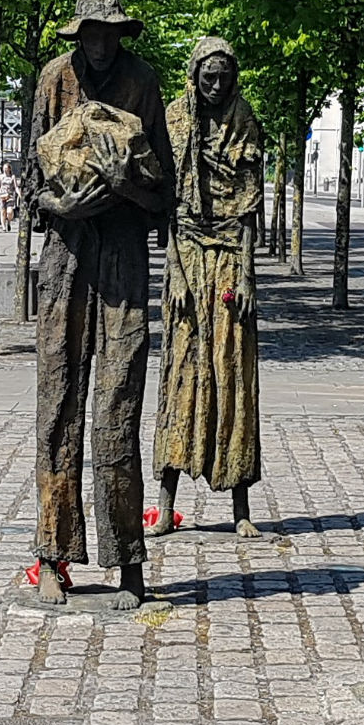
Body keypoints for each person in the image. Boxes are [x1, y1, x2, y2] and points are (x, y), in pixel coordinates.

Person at [28, 0, 172, 609]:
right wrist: (63, 201)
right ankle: (52, 554)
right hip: (64, 254)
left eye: (110, 33)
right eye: (92, 33)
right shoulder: (52, 80)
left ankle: (127, 562)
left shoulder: (144, 83)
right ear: (78, 35)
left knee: (118, 404)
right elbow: (32, 180)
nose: (101, 44)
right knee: (57, 403)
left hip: (122, 258)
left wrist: (125, 186)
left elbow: (165, 187)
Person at [148, 37, 264, 540]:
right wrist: (173, 272)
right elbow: (167, 211)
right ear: (194, 75)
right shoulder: (175, 120)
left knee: (232, 371)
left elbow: (249, 214)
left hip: (229, 258)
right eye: (207, 77)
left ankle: (240, 504)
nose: (216, 86)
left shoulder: (245, 123)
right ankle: (166, 500)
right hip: (188, 256)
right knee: (182, 373)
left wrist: (246, 275)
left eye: (224, 77)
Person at [0, 161, 19, 228]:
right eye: (4, 168)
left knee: (9, 211)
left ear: (9, 169)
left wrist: (19, 193)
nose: (5, 169)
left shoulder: (12, 177)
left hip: (10, 195)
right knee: (2, 211)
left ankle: (9, 221)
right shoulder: (1, 176)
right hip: (1, 195)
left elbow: (16, 187)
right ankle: (3, 226)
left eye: (6, 168)